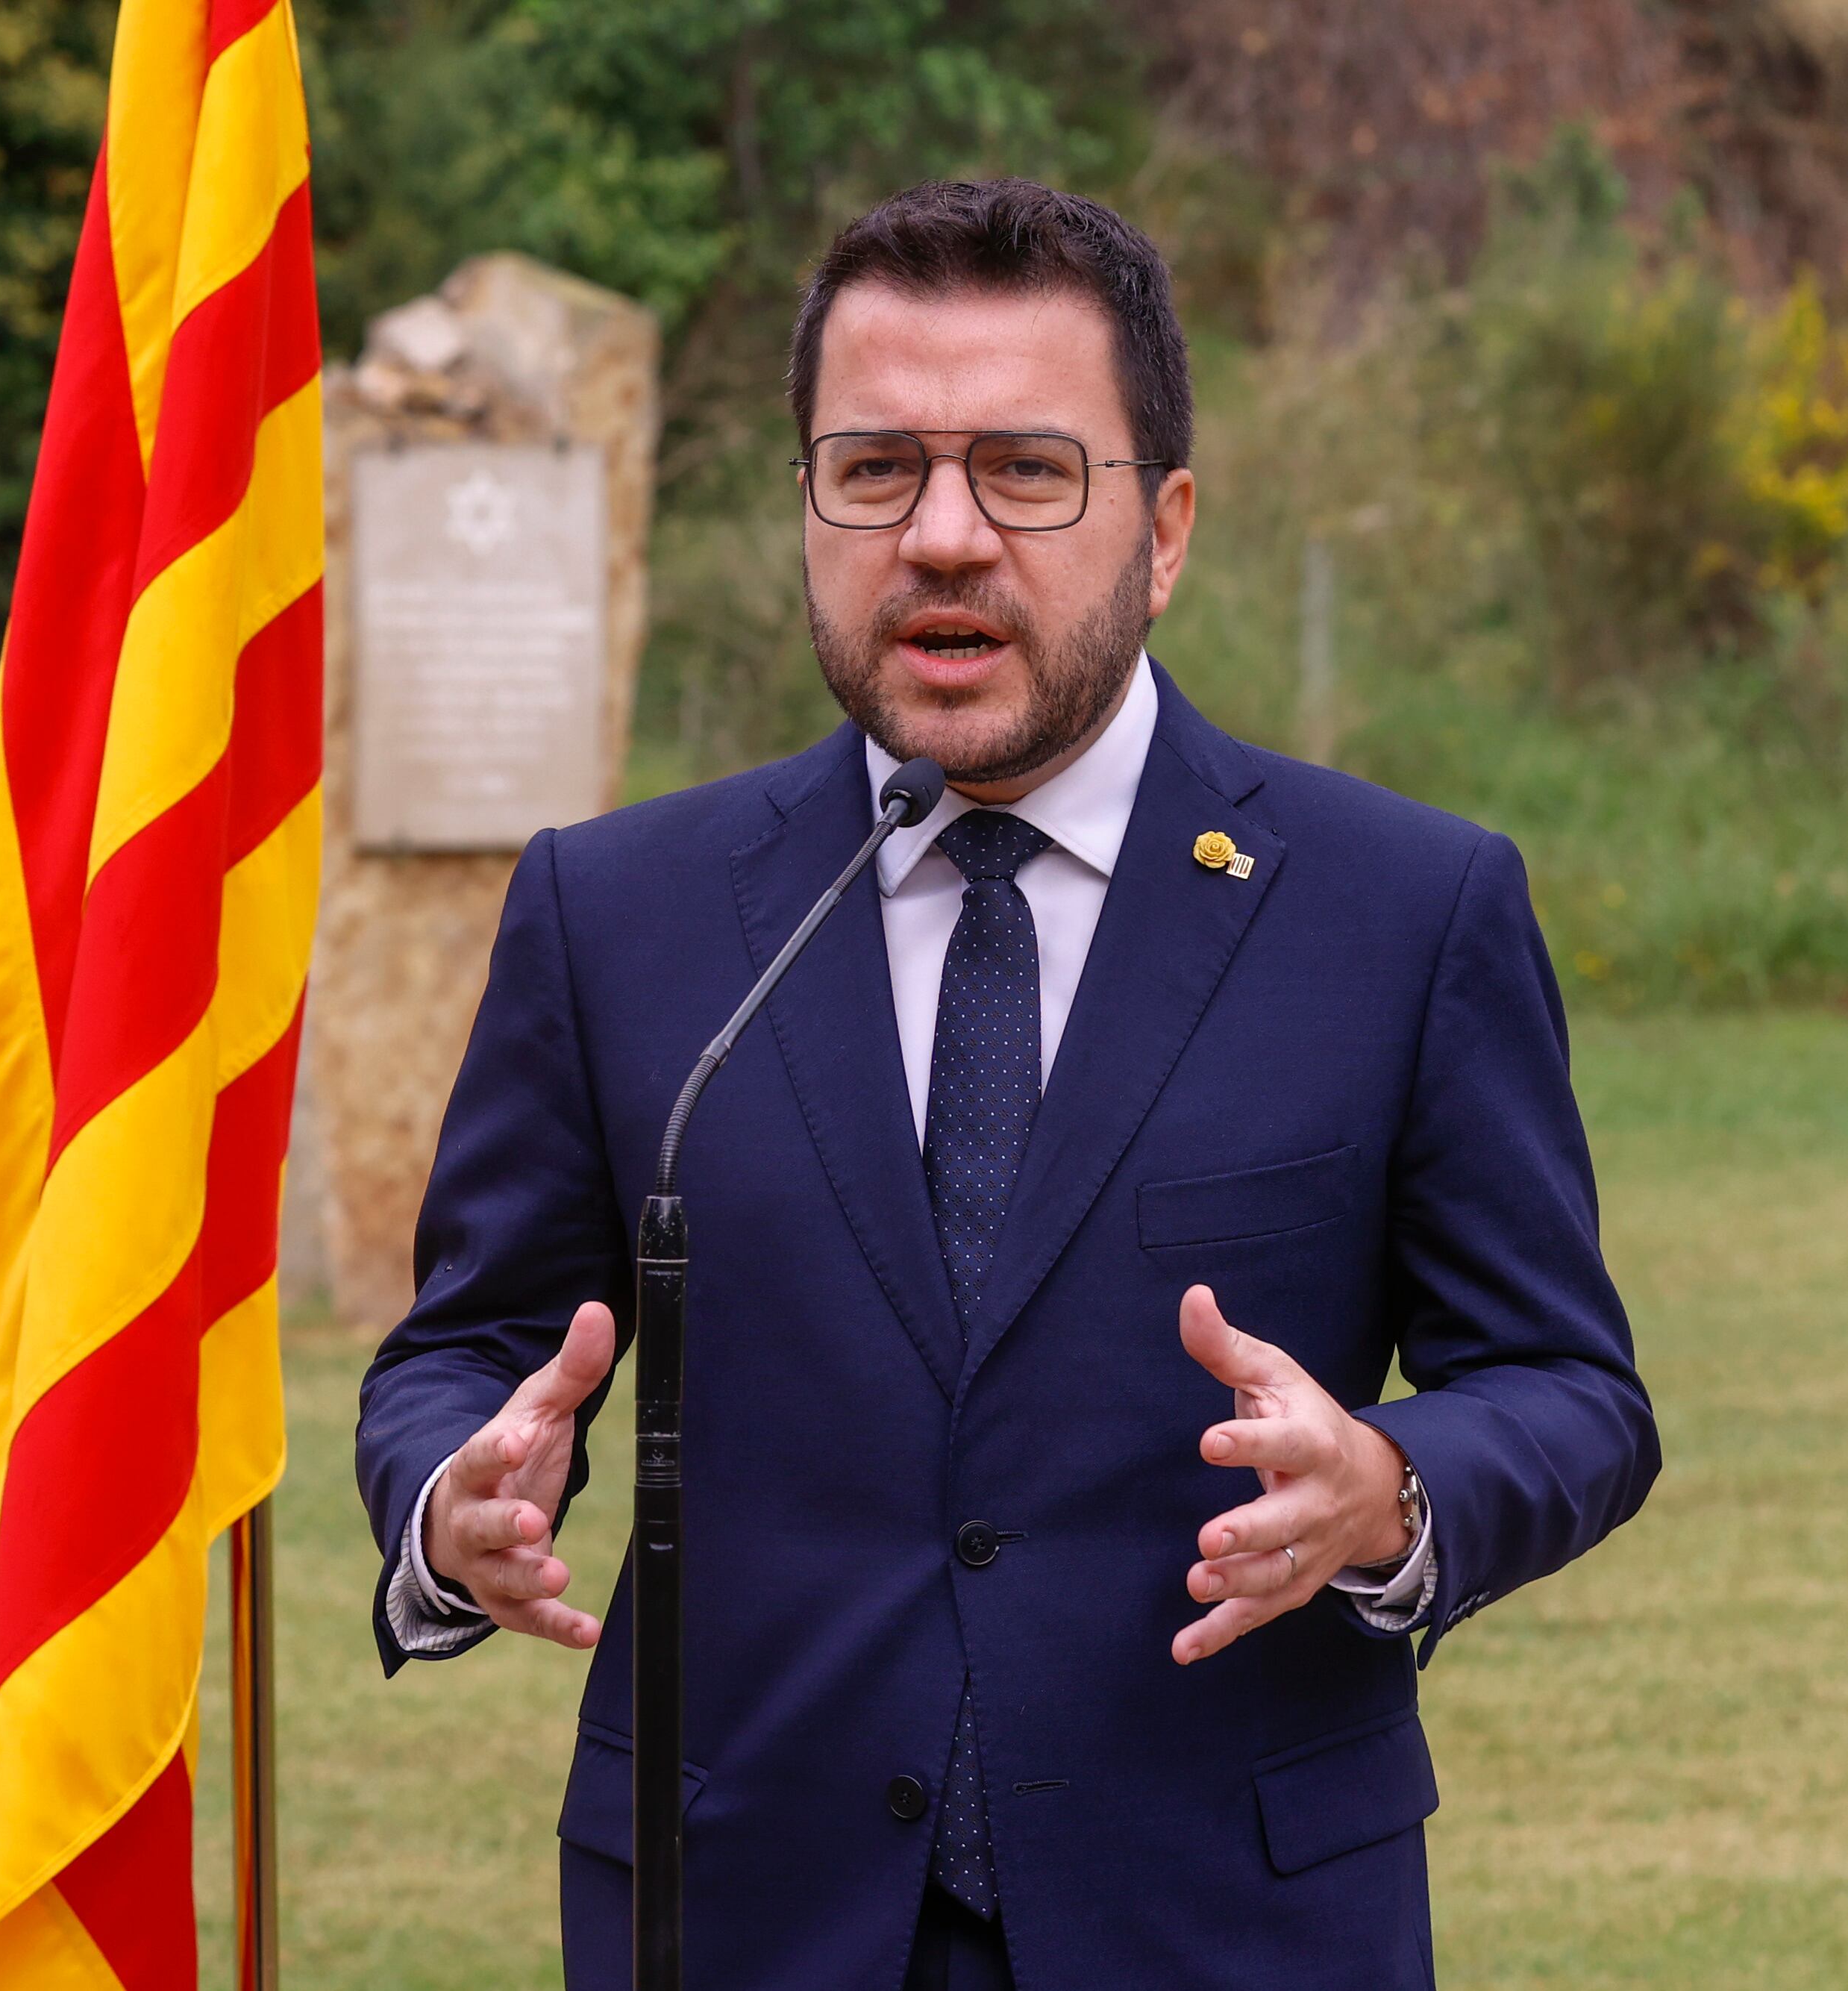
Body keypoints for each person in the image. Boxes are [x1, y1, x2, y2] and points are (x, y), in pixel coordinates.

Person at [353, 179, 1657, 1991]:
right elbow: (458, 1349)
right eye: (875, 468)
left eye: (1029, 470)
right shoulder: (618, 912)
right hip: (742, 1914)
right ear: (807, 505)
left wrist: (1390, 1486)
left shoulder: (1404, 908)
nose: (943, 536)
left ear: (1168, 526)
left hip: (1228, 1919)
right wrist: (452, 1498)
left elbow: (1571, 1389)